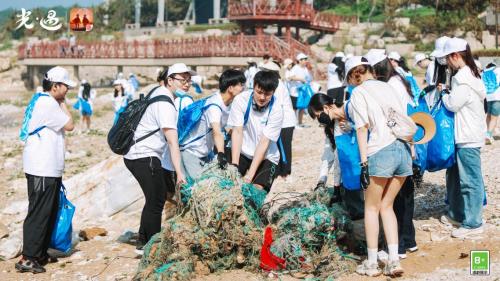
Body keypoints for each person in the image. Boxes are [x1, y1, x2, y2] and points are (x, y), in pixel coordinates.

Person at [330, 56, 409, 276]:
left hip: (380, 151)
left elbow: (362, 127)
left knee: (371, 208)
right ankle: (394, 260)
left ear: (353, 76)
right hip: (402, 150)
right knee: (387, 206)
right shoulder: (388, 87)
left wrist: (363, 163)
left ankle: (372, 263)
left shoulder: (358, 93)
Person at [17, 66, 76, 274]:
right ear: (55, 86)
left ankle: (40, 252)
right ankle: (29, 257)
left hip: (46, 167)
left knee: (48, 210)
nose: (67, 90)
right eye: (65, 86)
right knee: (39, 212)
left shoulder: (41, 99)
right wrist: (64, 104)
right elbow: (70, 125)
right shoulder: (48, 103)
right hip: (42, 167)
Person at [124, 63, 187, 253]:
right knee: (156, 199)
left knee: (154, 197)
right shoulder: (165, 104)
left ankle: (143, 242)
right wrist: (180, 173)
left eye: (189, 79)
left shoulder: (157, 93)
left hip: (137, 154)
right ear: (170, 80)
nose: (187, 84)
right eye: (182, 80)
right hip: (144, 155)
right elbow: (173, 143)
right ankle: (152, 246)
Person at [366, 49, 418, 260]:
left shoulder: (390, 85)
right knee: (404, 195)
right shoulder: (398, 79)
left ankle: (401, 245)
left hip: (399, 140)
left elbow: (396, 116)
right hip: (405, 140)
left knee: (396, 200)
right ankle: (409, 240)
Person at [438, 38, 487, 238]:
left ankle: (474, 223)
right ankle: (458, 215)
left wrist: (443, 93)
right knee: (458, 177)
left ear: (456, 56)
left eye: (448, 59)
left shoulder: (463, 78)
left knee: (470, 180)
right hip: (468, 134)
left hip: (468, 137)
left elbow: (452, 104)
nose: (447, 64)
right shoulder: (472, 74)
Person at [179, 69, 246, 180]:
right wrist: (221, 154)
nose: (243, 88)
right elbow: (217, 131)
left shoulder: (227, 103)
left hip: (205, 153)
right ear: (230, 88)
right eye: (240, 85)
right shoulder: (214, 106)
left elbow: (226, 127)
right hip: (191, 152)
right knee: (199, 188)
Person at [308, 93, 365, 220]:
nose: (320, 120)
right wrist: (323, 181)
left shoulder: (350, 110)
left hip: (362, 170)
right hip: (347, 177)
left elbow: (369, 128)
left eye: (318, 115)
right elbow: (329, 155)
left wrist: (354, 127)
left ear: (326, 107)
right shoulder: (331, 126)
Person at [227, 70, 283, 192]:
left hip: (267, 155)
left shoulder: (277, 109)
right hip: (242, 150)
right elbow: (237, 132)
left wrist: (250, 175)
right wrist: (235, 166)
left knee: (257, 191)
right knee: (228, 183)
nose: (262, 97)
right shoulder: (241, 100)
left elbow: (264, 142)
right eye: (259, 92)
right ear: (254, 86)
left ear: (274, 92)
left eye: (267, 94)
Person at [260, 61, 297, 181]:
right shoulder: (273, 84)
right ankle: (277, 171)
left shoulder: (278, 85)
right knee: (276, 146)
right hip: (279, 121)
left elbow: (278, 105)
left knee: (284, 147)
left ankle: (286, 173)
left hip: (285, 122)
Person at [288, 53, 312, 127]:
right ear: (299, 60)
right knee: (294, 108)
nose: (305, 61)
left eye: (306, 59)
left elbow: (308, 78)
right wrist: (300, 79)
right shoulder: (295, 68)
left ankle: (300, 123)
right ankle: (293, 124)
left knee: (302, 107)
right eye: (304, 59)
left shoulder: (305, 69)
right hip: (294, 91)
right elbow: (290, 77)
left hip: (303, 91)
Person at [484, 62, 500, 144]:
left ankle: (487, 132)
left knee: (489, 116)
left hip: (488, 97)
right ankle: (488, 135)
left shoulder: (485, 72)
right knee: (494, 118)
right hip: (497, 97)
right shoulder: (498, 70)